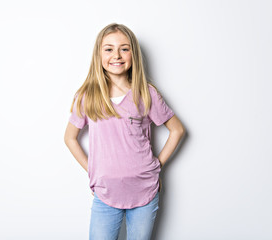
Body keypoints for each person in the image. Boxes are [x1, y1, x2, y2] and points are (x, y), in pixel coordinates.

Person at [64, 23, 185, 240]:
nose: (116, 55)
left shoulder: (146, 94)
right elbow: (70, 138)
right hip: (105, 192)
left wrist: (157, 165)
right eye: (109, 49)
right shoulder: (87, 95)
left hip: (144, 192)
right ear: (99, 54)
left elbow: (177, 130)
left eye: (124, 48)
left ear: (133, 54)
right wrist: (92, 171)